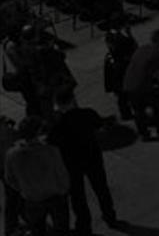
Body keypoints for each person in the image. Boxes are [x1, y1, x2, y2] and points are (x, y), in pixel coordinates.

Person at [48, 90, 120, 235]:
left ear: (57, 105)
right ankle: (110, 216)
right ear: (73, 99)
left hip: (72, 163)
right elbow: (100, 126)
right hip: (92, 157)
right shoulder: (87, 113)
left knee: (77, 196)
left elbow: (52, 142)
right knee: (101, 188)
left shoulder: (57, 125)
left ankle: (84, 225)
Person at [3, 117, 69, 236]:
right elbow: (62, 175)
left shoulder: (12, 154)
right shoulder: (51, 151)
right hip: (55, 197)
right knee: (62, 229)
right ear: (38, 133)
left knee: (37, 230)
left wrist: (23, 189)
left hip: (32, 198)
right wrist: (63, 190)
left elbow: (9, 179)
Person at [122, 29, 159, 140]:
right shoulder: (158, 55)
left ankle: (143, 133)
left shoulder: (141, 49)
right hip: (141, 86)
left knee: (138, 111)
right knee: (158, 105)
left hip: (128, 84)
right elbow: (158, 76)